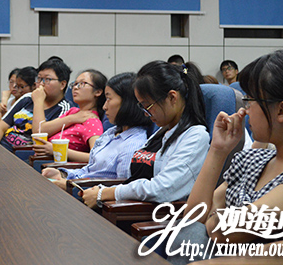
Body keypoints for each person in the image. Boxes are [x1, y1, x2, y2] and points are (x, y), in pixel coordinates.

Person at [167, 49, 283, 264]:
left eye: (250, 100)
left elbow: (222, 231)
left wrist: (215, 216)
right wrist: (217, 150)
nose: (245, 111)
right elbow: (193, 217)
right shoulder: (254, 159)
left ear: (281, 111)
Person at [80, 62, 210, 209]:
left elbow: (163, 189)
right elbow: (133, 178)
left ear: (172, 97)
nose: (146, 113)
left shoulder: (195, 136)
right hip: (128, 207)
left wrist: (107, 193)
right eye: (142, 106)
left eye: (148, 105)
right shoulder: (162, 131)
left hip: (156, 216)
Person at [42, 72, 153, 189]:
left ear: (127, 103)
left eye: (109, 99)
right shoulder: (111, 133)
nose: (105, 106)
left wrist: (69, 185)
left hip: (87, 196)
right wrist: (64, 174)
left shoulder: (132, 145)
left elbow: (121, 189)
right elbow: (90, 169)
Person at [0, 58, 73, 148]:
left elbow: (39, 134)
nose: (41, 83)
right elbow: (1, 127)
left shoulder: (65, 109)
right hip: (2, 146)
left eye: (47, 79)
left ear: (62, 84)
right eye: (39, 78)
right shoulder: (28, 98)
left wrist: (38, 101)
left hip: (23, 153)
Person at [32, 69, 107, 162]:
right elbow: (40, 130)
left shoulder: (92, 121)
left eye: (82, 83)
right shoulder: (72, 112)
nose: (75, 88)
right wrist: (72, 118)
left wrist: (57, 150)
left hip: (57, 167)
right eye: (74, 84)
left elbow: (97, 157)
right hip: (39, 161)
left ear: (98, 92)